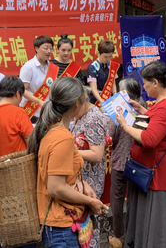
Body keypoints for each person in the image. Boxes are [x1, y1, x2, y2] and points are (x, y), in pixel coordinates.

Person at [27, 77, 108, 248]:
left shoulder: (51, 128)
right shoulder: (62, 136)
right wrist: (90, 202)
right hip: (61, 225)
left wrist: (83, 183)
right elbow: (56, 187)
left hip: (60, 222)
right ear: (77, 102)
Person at [115, 61, 166, 248]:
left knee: (153, 226)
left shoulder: (165, 107)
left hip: (155, 175)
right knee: (145, 221)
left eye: (145, 83)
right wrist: (143, 111)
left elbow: (149, 139)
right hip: (153, 170)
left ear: (155, 82)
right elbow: (160, 125)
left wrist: (124, 125)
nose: (143, 87)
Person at [0, 75, 35, 248]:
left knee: (2, 220)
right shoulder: (18, 113)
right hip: (18, 178)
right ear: (18, 94)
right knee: (23, 226)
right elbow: (32, 144)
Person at [70, 86, 113, 248]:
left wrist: (69, 151)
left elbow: (97, 155)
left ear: (78, 102)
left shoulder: (93, 118)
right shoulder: (81, 115)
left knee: (89, 227)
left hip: (91, 180)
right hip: (82, 179)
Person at [108, 78, 146, 248]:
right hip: (138, 162)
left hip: (120, 161)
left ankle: (118, 235)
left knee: (117, 198)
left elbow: (111, 136)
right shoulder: (144, 111)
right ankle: (134, 233)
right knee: (134, 198)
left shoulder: (118, 111)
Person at [19, 35, 59, 122]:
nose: (49, 51)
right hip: (31, 111)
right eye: (46, 48)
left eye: (51, 49)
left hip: (47, 111)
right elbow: (22, 90)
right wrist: (38, 101)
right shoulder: (28, 67)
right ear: (36, 49)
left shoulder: (53, 67)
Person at [87, 39, 119, 105]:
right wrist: (103, 103)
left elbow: (113, 82)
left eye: (110, 56)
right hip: (96, 100)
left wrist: (115, 95)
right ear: (99, 53)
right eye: (105, 57)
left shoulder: (111, 65)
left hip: (109, 97)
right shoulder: (92, 67)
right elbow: (94, 89)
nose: (108, 59)